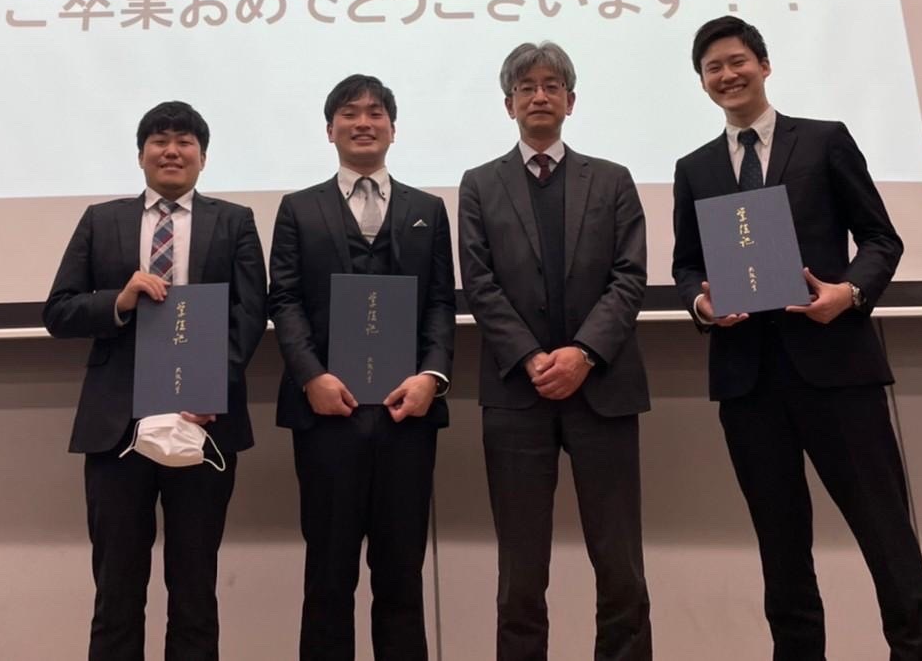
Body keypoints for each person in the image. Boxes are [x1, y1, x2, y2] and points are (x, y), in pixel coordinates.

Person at [672, 15, 922, 660]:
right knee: (781, 550)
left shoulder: (824, 141)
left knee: (887, 537)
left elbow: (881, 239)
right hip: (748, 382)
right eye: (713, 68)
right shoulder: (695, 168)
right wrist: (702, 304)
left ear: (764, 66)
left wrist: (847, 294)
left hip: (837, 370)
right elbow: (687, 266)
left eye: (737, 61)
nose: (727, 75)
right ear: (703, 82)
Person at [43, 101, 266, 661]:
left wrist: (212, 385)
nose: (172, 151)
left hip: (204, 421)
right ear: (141, 154)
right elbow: (59, 311)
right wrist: (117, 301)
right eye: (159, 141)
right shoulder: (101, 220)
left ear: (203, 157)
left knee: (195, 588)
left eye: (184, 141)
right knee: (116, 588)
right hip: (117, 425)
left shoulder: (234, 221)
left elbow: (249, 313)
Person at [458, 41, 652, 661]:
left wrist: (584, 354)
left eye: (551, 86)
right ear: (508, 104)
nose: (538, 96)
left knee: (620, 564)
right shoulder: (479, 184)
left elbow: (630, 277)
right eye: (526, 87)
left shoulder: (613, 179)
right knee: (520, 570)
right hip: (517, 393)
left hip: (603, 389)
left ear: (571, 100)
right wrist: (531, 357)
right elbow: (479, 282)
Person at [268, 74, 456, 661]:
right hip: (326, 414)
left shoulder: (428, 210)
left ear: (393, 129)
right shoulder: (298, 208)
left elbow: (440, 303)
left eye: (376, 113)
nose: (363, 122)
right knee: (328, 576)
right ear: (330, 130)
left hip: (408, 415)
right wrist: (311, 376)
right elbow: (285, 300)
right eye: (349, 113)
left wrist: (431, 377)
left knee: (401, 576)